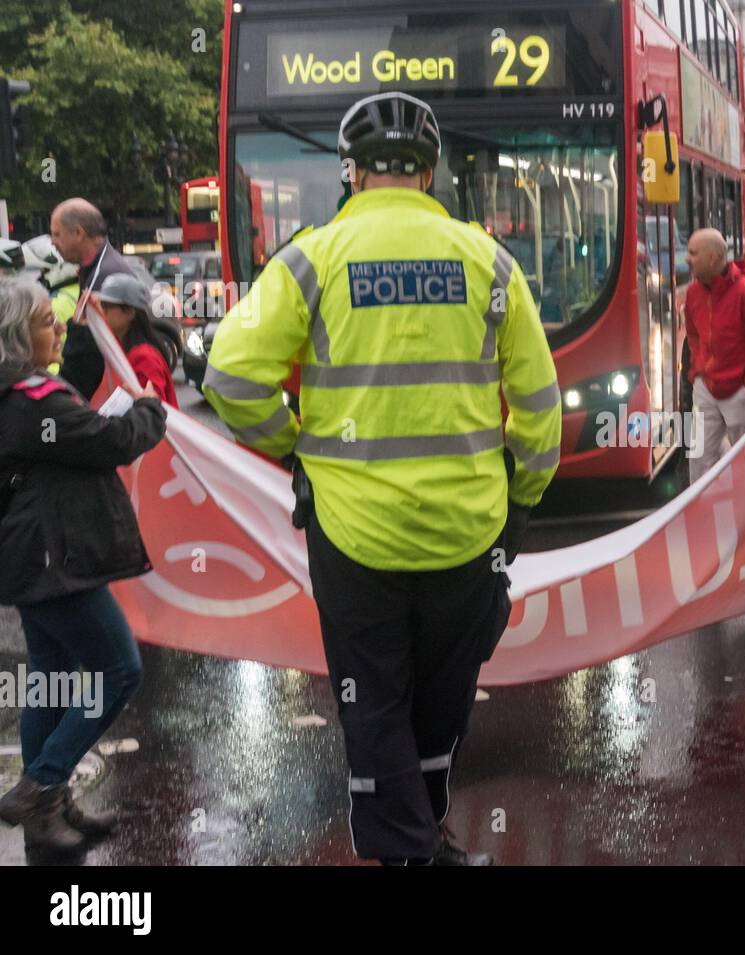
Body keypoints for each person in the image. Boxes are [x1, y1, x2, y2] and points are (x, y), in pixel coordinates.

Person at [203, 91, 561, 866]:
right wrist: (523, 502)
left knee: (374, 704)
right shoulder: (489, 260)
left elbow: (229, 376)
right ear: (429, 174)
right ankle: (421, 837)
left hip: (355, 535)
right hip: (468, 536)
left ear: (352, 171)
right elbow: (540, 409)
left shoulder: (314, 255)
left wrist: (292, 447)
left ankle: (407, 849)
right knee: (441, 704)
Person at [0, 278, 166, 855]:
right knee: (120, 669)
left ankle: (50, 812)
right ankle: (43, 784)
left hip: (30, 558)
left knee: (51, 679)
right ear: (20, 332)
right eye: (48, 320)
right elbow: (110, 439)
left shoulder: (20, 393)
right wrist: (149, 408)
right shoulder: (30, 398)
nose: (58, 329)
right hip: (52, 561)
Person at [682, 227, 745, 483]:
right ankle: (704, 515)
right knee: (699, 459)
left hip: (741, 392)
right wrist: (698, 373)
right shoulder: (694, 293)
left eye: (693, 253)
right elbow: (693, 335)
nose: (687, 259)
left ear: (713, 258)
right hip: (707, 388)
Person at [49, 198, 135, 400]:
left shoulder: (105, 279)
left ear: (78, 233)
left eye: (57, 234)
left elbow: (94, 353)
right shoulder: (98, 268)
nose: (52, 242)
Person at [96, 273, 178, 407]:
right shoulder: (121, 348)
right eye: (101, 304)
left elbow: (155, 411)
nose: (102, 310)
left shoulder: (145, 358)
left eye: (107, 305)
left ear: (130, 312)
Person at [22, 235, 80, 375]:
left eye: (39, 273)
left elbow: (50, 353)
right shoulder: (76, 290)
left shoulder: (55, 304)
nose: (35, 279)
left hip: (55, 374)